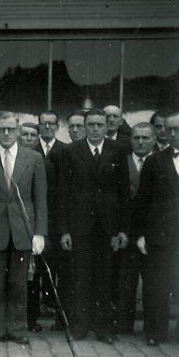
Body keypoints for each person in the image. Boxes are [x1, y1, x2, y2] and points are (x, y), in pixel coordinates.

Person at [0, 111, 47, 345]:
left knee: (19, 285)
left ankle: (17, 329)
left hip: (22, 229)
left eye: (10, 129)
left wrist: (39, 233)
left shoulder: (33, 159)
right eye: (1, 129)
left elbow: (40, 199)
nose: (5, 133)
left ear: (17, 130)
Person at [58, 108, 128, 343]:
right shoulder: (72, 151)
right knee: (81, 277)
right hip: (80, 225)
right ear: (85, 126)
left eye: (100, 124)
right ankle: (80, 326)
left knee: (105, 278)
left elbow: (123, 192)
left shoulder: (117, 150)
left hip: (108, 226)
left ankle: (103, 329)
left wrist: (121, 229)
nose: (96, 129)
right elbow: (64, 192)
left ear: (107, 127)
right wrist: (65, 230)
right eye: (92, 125)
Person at [134, 111, 179, 346]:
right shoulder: (154, 161)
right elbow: (143, 201)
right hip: (159, 235)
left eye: (177, 129)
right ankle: (156, 332)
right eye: (168, 129)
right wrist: (141, 234)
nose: (171, 133)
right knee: (157, 287)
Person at [114, 123, 156, 335]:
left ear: (154, 139)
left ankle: (152, 328)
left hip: (153, 232)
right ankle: (124, 325)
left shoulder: (160, 161)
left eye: (145, 138)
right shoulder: (122, 161)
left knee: (152, 282)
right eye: (136, 138)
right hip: (127, 231)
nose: (140, 142)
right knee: (126, 281)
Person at [28, 110, 67, 333]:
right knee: (33, 275)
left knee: (58, 273)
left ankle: (60, 320)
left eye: (52, 124)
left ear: (57, 126)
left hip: (55, 221)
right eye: (44, 124)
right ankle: (31, 320)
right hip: (33, 221)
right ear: (39, 126)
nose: (48, 127)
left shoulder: (65, 150)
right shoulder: (30, 150)